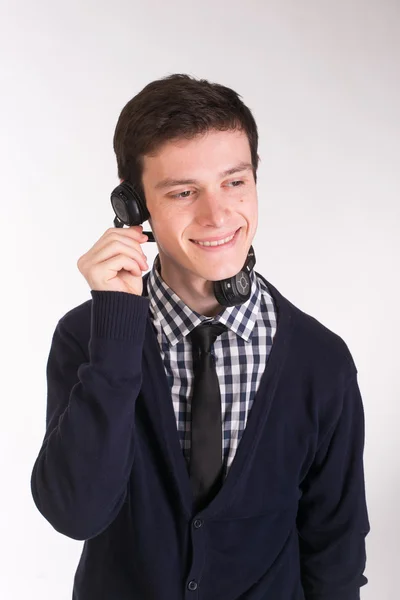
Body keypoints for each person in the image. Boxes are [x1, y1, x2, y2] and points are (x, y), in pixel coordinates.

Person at [30, 73, 370, 599]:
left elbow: (336, 550)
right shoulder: (87, 336)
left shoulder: (319, 359)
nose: (217, 215)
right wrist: (117, 328)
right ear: (134, 208)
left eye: (235, 182)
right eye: (184, 191)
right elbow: (77, 512)